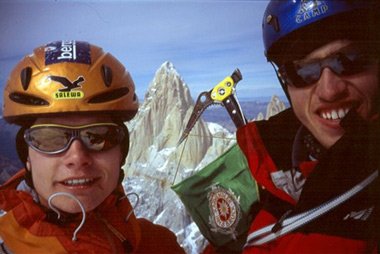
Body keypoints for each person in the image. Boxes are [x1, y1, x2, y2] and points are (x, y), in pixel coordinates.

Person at [204, 0, 380, 253]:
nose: (330, 90)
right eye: (303, 71)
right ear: (285, 82)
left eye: (350, 59)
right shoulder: (270, 173)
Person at [0, 40, 185, 253]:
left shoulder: (158, 245)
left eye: (99, 136)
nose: (77, 157)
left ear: (121, 151)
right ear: (27, 156)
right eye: (50, 138)